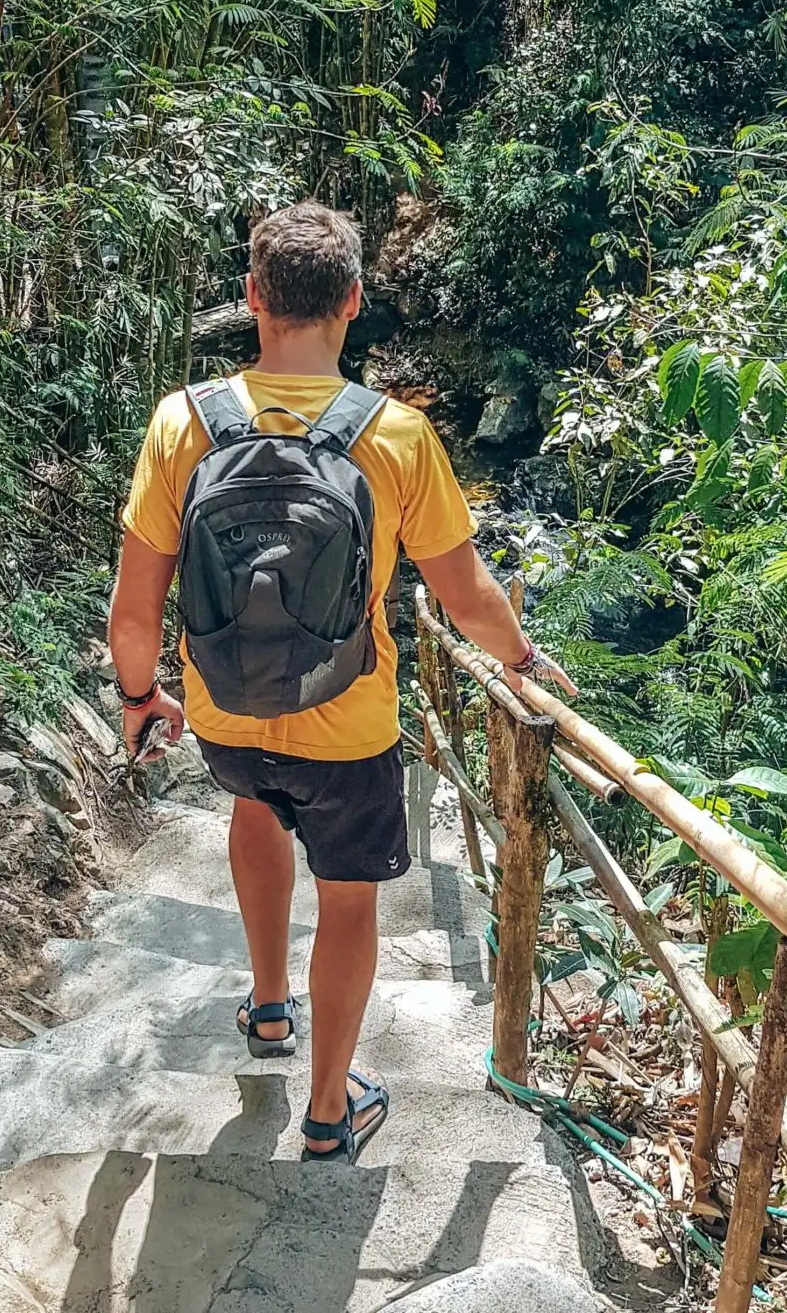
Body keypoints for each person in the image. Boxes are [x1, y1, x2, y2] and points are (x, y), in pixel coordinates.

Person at [108, 200, 576, 1163]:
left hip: (226, 712)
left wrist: (139, 699)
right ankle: (327, 1110)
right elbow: (467, 598)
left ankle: (270, 1012)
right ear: (354, 302)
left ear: (252, 298)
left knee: (254, 813)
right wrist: (526, 662)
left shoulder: (181, 423)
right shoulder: (397, 435)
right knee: (351, 897)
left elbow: (132, 605)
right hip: (350, 724)